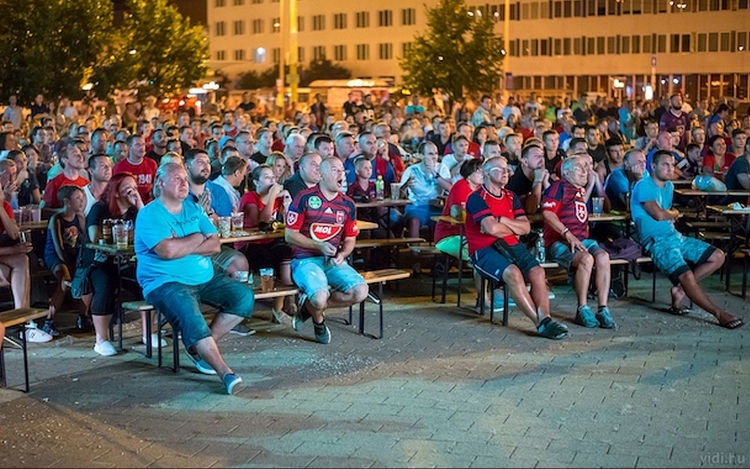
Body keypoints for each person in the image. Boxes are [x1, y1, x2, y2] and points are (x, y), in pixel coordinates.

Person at [135, 163, 254, 394]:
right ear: (160, 183)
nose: (184, 183)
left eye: (184, 179)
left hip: (204, 277)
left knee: (244, 297)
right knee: (194, 320)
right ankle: (226, 373)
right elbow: (166, 251)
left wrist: (183, 243)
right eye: (177, 179)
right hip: (165, 281)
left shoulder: (193, 208)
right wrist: (199, 237)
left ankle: (199, 349)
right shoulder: (149, 214)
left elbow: (215, 244)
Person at [631, 150, 743, 329]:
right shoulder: (643, 185)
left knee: (718, 256)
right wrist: (674, 213)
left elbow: (665, 215)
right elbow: (659, 215)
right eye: (665, 164)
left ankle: (681, 289)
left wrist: (670, 215)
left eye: (672, 165)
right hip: (657, 242)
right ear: (653, 166)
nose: (670, 168)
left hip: (674, 236)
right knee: (686, 275)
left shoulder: (669, 186)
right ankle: (719, 314)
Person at [464, 156, 569, 340]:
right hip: (483, 249)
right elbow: (490, 229)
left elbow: (526, 228)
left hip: (511, 244)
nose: (506, 172)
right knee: (513, 273)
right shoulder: (476, 198)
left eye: (507, 169)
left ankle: (547, 318)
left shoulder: (511, 197)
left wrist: (502, 220)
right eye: (500, 169)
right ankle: (540, 323)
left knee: (537, 272)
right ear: (487, 173)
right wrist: (509, 226)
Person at [285, 157, 369, 344]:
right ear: (321, 174)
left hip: (332, 262)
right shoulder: (304, 197)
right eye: (335, 170)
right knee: (320, 296)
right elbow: (289, 235)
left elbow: (350, 238)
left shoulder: (347, 204)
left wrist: (343, 254)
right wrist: (318, 245)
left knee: (361, 291)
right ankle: (319, 322)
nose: (341, 174)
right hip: (304, 260)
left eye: (342, 170)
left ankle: (308, 307)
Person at [542, 156, 616, 329]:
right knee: (586, 259)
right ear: (566, 172)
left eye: (585, 167)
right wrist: (567, 234)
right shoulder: (558, 186)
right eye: (579, 167)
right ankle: (582, 308)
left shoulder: (579, 191)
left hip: (583, 241)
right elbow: (548, 213)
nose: (585, 171)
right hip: (559, 242)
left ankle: (603, 308)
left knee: (604, 256)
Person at [79, 173, 148, 356]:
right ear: (116, 192)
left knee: (148, 279)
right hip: (98, 262)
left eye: (134, 187)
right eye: (128, 188)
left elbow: (150, 230)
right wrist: (117, 237)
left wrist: (140, 204)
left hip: (127, 261)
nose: (132, 191)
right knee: (106, 284)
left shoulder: (135, 211)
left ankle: (149, 333)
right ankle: (101, 339)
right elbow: (94, 237)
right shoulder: (100, 208)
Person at [240, 165, 294, 318]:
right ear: (256, 182)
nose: (272, 180)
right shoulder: (249, 197)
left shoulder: (277, 198)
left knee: (286, 251)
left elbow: (289, 222)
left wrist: (287, 201)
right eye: (267, 177)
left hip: (270, 242)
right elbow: (262, 222)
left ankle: (284, 303)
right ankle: (280, 307)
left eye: (273, 177)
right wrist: (272, 197)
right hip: (249, 245)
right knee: (269, 259)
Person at [42, 186, 88, 337]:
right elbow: (58, 246)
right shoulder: (57, 219)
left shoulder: (79, 218)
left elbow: (83, 240)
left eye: (82, 198)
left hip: (73, 254)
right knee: (64, 278)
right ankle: (49, 321)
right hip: (55, 255)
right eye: (78, 198)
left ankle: (83, 317)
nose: (81, 202)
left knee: (88, 275)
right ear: (67, 201)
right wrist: (70, 265)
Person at [399, 141, 442, 238]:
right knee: (414, 221)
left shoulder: (442, 168)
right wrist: (405, 186)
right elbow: (399, 195)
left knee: (446, 222)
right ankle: (415, 252)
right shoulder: (411, 170)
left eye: (436, 153)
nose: (434, 157)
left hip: (437, 206)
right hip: (416, 206)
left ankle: (442, 252)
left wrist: (433, 171)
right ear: (421, 156)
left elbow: (449, 188)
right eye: (430, 154)